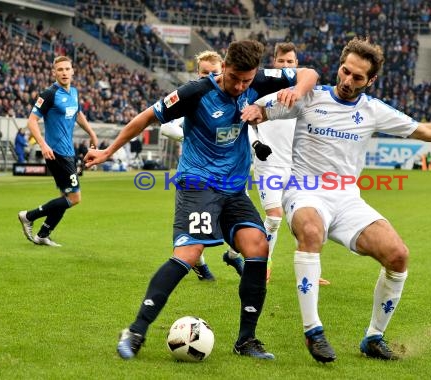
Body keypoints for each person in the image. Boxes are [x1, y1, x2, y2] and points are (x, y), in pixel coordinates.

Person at [241, 37, 431, 363]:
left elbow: (426, 131)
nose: (347, 80)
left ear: (370, 80)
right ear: (340, 67)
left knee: (398, 255)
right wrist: (257, 110)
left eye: (357, 77)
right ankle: (313, 331)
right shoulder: (310, 97)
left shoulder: (373, 110)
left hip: (347, 198)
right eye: (345, 71)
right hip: (305, 189)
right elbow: (258, 111)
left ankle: (373, 337)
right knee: (311, 233)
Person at [84, 40, 319, 361]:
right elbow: (145, 118)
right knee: (189, 252)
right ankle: (136, 331)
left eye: (246, 82)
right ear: (224, 66)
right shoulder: (195, 93)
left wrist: (294, 91)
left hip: (234, 189)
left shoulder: (261, 79)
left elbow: (309, 73)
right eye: (234, 78)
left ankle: (246, 340)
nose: (239, 87)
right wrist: (108, 152)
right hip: (197, 185)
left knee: (258, 247)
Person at [248, 41, 330, 285]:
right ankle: (264, 267)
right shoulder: (262, 92)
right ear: (274, 63)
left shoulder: (303, 95)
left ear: (297, 64)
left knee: (306, 220)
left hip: (297, 168)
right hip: (269, 164)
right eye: (281, 61)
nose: (285, 65)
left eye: (290, 62)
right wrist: (255, 146)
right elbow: (247, 121)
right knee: (274, 217)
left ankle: (311, 271)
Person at [160, 50, 236, 282]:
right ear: (197, 73)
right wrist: (190, 137)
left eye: (213, 73)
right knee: (196, 231)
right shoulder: (192, 97)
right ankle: (201, 266)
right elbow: (165, 127)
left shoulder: (233, 96)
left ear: (222, 70)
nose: (208, 77)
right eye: (204, 73)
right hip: (196, 175)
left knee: (235, 223)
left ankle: (234, 256)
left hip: (227, 174)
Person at [18, 56, 98, 247]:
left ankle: (43, 234)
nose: (64, 72)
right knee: (74, 197)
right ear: (54, 72)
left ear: (72, 71)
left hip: (68, 152)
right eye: (60, 69)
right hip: (56, 153)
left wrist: (92, 133)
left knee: (66, 196)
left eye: (67, 69)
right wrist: (43, 145)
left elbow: (77, 113)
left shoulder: (74, 92)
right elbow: (31, 121)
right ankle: (29, 216)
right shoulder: (49, 94)